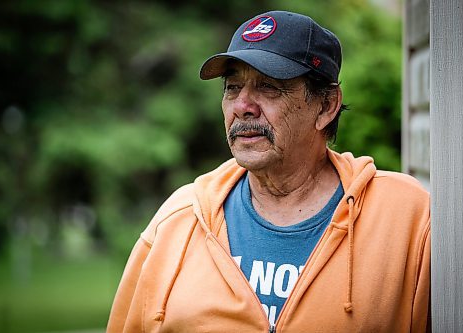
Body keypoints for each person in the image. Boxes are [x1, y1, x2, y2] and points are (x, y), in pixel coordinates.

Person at [107, 10, 430, 333]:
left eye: (269, 87)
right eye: (232, 87)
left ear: (326, 106)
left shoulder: (406, 218)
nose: (242, 105)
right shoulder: (178, 219)